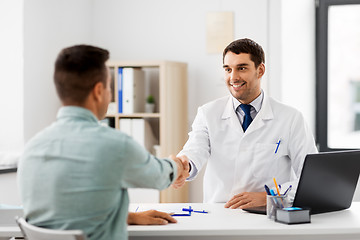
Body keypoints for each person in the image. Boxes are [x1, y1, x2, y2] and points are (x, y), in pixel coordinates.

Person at [17, 45, 189, 240]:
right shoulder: (115, 146)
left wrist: (127, 217)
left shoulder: (32, 150)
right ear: (98, 91)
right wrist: (177, 164)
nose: (110, 94)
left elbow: (64, 218)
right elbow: (159, 177)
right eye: (110, 87)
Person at [176, 38, 317, 209]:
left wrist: (271, 196)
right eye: (228, 69)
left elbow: (310, 179)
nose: (233, 77)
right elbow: (194, 150)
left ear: (260, 70)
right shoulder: (208, 113)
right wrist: (184, 165)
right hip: (221, 214)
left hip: (269, 215)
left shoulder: (291, 118)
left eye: (241, 68)